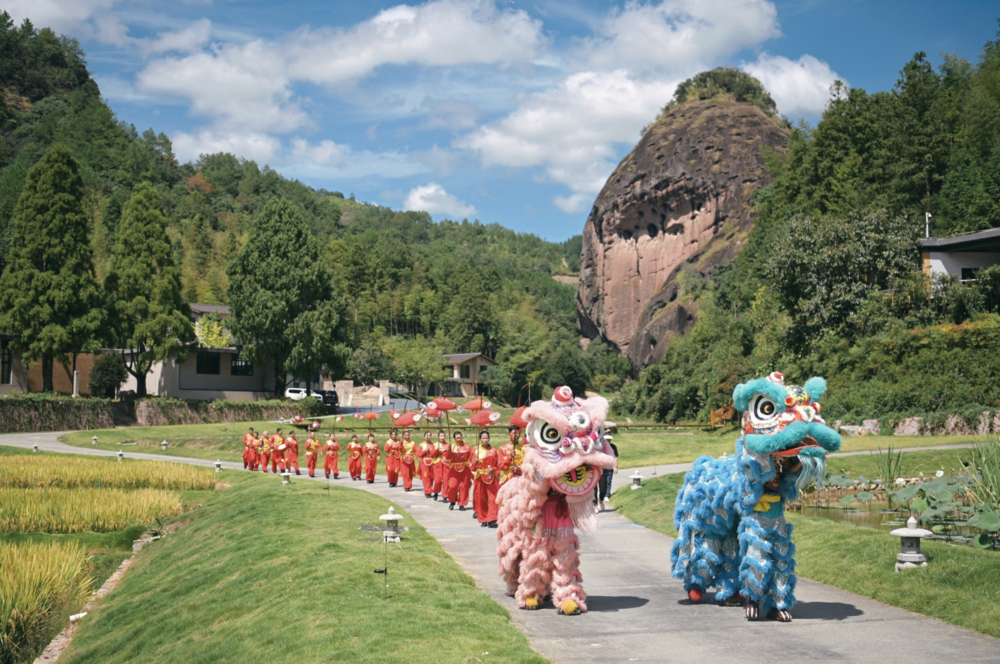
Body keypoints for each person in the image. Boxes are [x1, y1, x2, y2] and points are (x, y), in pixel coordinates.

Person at [471, 430, 500, 527]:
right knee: (481, 499)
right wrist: (475, 462)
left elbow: (498, 465)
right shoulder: (476, 450)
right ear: (480, 439)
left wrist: (493, 469)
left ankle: (492, 519)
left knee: (492, 498)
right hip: (480, 477)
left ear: (489, 438)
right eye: (483, 438)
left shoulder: (493, 450)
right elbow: (473, 468)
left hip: (491, 477)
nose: (485, 440)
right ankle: (483, 518)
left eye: (487, 438)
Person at [444, 431, 472, 510]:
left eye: (460, 438)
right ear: (454, 439)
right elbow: (447, 457)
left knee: (464, 486)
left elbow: (471, 456)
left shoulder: (467, 446)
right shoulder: (452, 446)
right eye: (457, 438)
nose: (459, 439)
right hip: (454, 468)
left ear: (462, 437)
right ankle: (452, 501)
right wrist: (448, 451)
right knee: (453, 485)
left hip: (465, 467)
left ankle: (462, 504)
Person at [596, 434, 619, 510]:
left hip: (609, 467)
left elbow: (615, 457)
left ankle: (604, 497)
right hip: (599, 469)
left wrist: (615, 466)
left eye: (609, 440)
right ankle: (595, 504)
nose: (608, 441)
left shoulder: (613, 447)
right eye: (607, 440)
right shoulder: (599, 447)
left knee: (607, 483)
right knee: (596, 488)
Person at [415, 431, 436, 498]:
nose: (428, 437)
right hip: (424, 462)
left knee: (431, 477)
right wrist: (425, 450)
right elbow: (419, 454)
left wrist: (431, 451)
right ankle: (427, 491)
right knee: (425, 476)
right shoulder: (421, 445)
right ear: (424, 437)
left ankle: (430, 489)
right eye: (427, 435)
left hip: (432, 462)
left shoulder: (433, 445)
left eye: (429, 435)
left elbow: (434, 454)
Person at [432, 430, 449, 500]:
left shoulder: (448, 445)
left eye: (443, 436)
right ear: (438, 437)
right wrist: (436, 450)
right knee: (438, 480)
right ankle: (436, 492)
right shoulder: (435, 445)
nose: (442, 437)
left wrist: (449, 451)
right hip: (438, 464)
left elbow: (450, 455)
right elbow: (432, 454)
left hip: (446, 464)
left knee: (446, 480)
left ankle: (445, 496)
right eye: (441, 436)